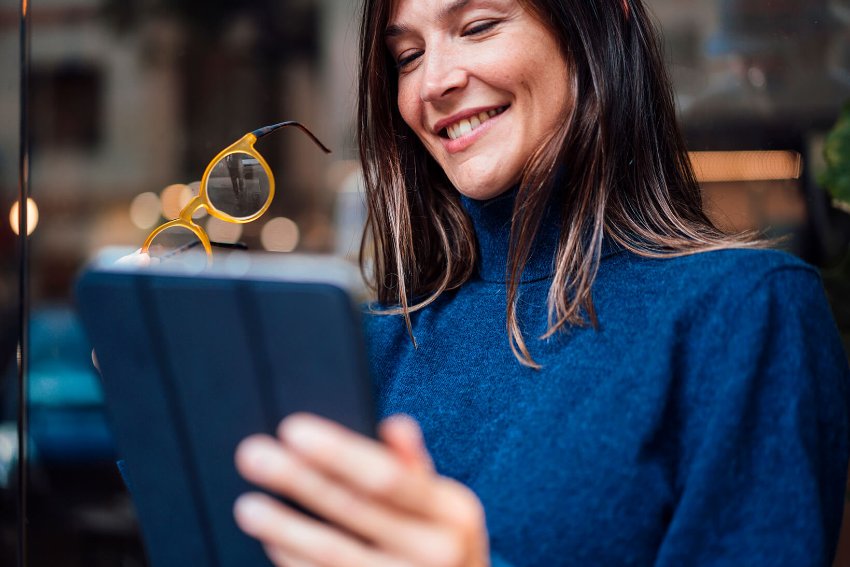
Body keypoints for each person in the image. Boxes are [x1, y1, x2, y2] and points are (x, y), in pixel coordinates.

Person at [231, 0, 850, 565]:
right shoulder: (372, 343)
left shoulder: (744, 312)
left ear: (597, 28)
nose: (434, 82)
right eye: (408, 57)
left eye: (477, 27)